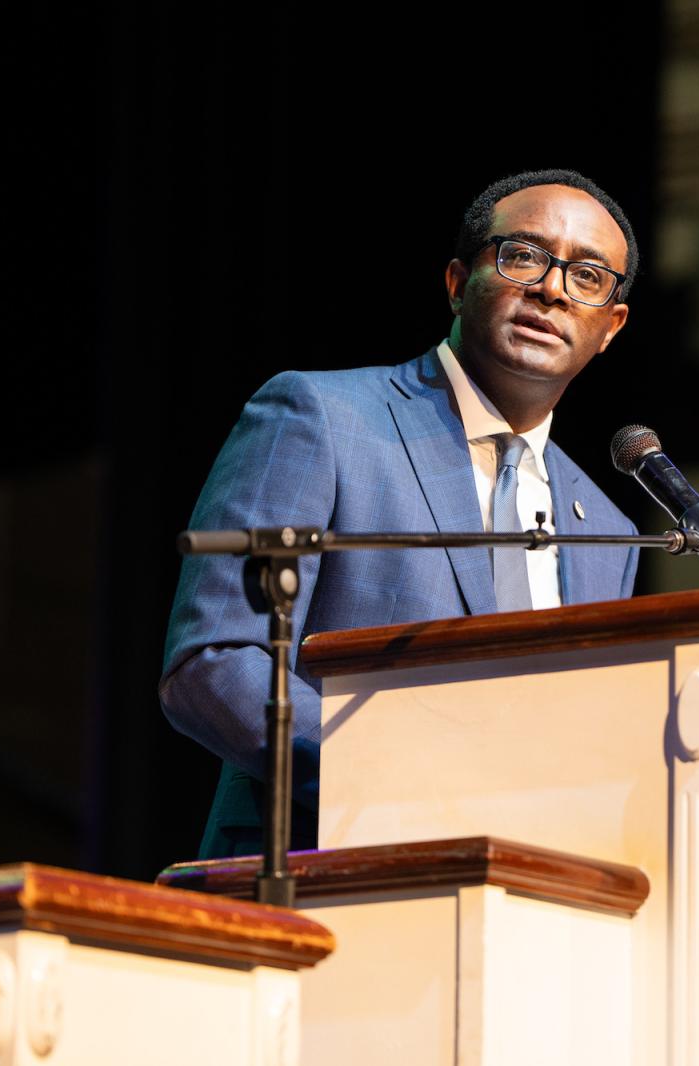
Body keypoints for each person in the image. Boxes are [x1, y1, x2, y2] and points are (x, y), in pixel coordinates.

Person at [160, 168, 642, 858]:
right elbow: (212, 663)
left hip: (526, 893)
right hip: (314, 871)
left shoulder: (607, 530)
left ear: (611, 327)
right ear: (456, 280)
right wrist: (408, 780)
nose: (552, 290)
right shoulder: (321, 417)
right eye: (524, 257)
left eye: (587, 276)